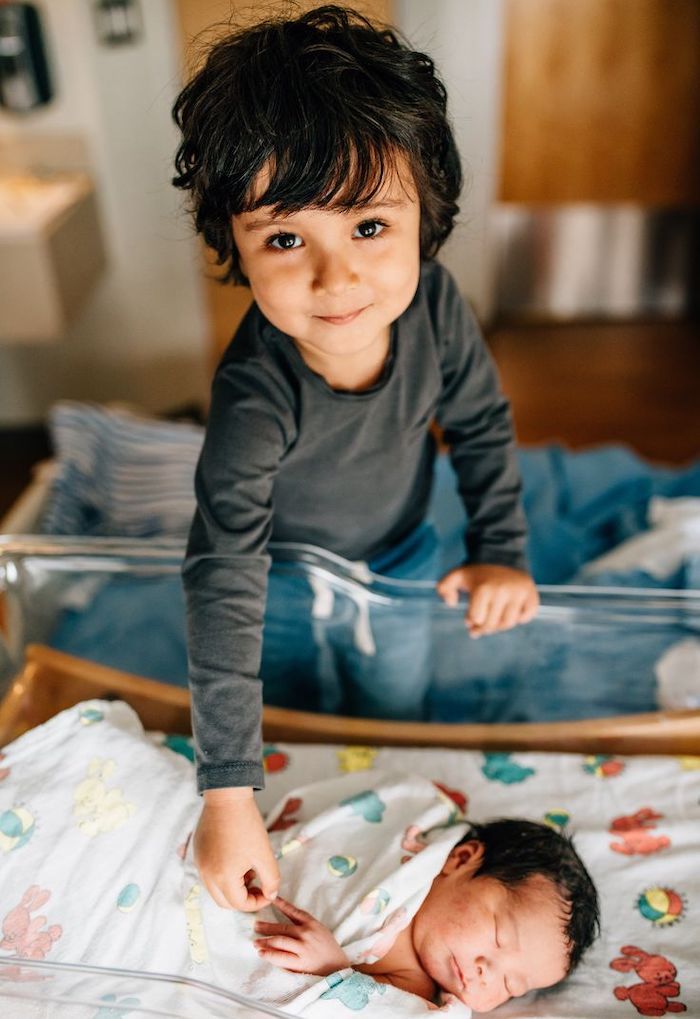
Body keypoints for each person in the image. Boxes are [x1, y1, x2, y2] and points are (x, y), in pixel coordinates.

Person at [171, 5, 540, 913]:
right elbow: (222, 570)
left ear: (429, 220)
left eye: (370, 226)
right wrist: (226, 790)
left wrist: (501, 549)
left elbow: (484, 425)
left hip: (407, 550)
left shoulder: (439, 309)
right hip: (283, 575)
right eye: (287, 238)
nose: (336, 280)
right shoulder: (255, 395)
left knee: (396, 712)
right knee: (298, 722)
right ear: (236, 246)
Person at [253, 818, 600, 1013]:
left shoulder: (408, 987)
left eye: (511, 985)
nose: (486, 972)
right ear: (462, 860)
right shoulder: (410, 844)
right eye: (499, 936)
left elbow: (364, 1009)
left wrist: (331, 969)